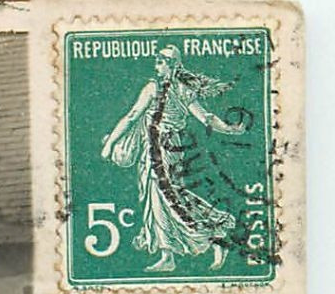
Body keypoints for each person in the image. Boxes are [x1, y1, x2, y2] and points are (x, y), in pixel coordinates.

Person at [99, 44, 249, 273]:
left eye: (161, 61)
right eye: (157, 60)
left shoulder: (160, 88)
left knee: (167, 198)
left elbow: (132, 117)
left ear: (173, 65)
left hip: (161, 151)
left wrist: (110, 144)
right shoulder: (177, 89)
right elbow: (206, 118)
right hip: (160, 148)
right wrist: (229, 129)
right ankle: (168, 255)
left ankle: (215, 237)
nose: (157, 64)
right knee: (161, 199)